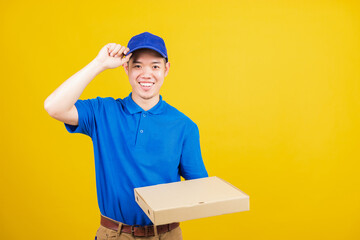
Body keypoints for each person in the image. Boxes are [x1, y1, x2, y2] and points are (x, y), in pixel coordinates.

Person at [44, 32, 208, 240]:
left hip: (166, 235)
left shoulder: (184, 126)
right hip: (114, 234)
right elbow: (53, 107)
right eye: (138, 66)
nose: (146, 74)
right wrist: (99, 63)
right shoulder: (103, 112)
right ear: (126, 68)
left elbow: (199, 189)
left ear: (166, 69)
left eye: (155, 66)